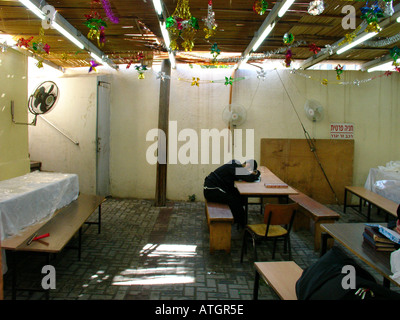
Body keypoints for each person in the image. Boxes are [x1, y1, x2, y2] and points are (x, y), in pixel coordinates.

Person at [203, 159, 261, 227]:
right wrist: (257, 173)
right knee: (234, 201)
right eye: (249, 170)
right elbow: (249, 178)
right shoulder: (234, 166)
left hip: (218, 187)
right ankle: (242, 224)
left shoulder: (235, 165)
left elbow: (246, 176)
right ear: (248, 165)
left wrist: (254, 173)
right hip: (212, 190)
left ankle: (237, 219)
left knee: (241, 197)